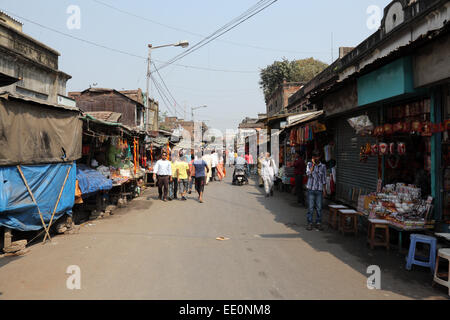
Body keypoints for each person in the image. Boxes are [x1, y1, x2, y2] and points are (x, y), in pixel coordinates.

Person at [305, 150, 327, 231]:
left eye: (317, 156)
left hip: (319, 190)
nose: (316, 158)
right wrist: (313, 165)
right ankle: (309, 223)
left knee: (319, 208)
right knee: (310, 208)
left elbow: (324, 179)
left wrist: (324, 190)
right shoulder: (309, 164)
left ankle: (318, 223)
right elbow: (308, 173)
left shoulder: (323, 166)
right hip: (311, 189)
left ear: (320, 157)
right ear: (313, 157)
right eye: (314, 157)